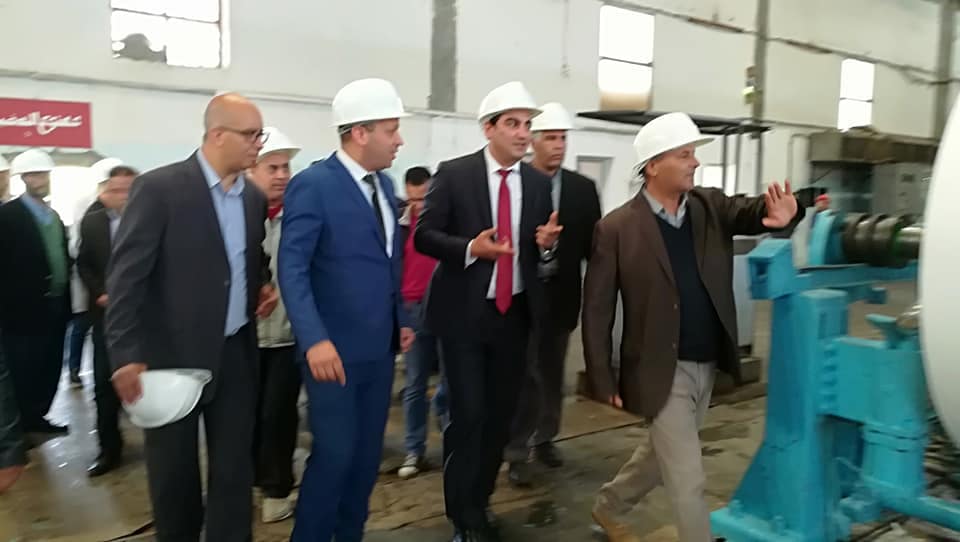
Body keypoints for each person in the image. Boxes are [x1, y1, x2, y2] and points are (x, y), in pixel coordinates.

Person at [582, 112, 803, 542]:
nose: (695, 162)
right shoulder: (617, 229)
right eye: (684, 155)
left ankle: (609, 505)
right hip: (659, 368)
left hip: (707, 362)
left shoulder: (709, 206)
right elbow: (596, 310)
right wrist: (601, 377)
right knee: (688, 478)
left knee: (659, 455)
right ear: (653, 165)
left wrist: (783, 213)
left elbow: (753, 211)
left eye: (693, 154)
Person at [106, 93, 277, 542]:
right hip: (170, 356)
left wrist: (260, 285)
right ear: (217, 135)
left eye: (260, 135)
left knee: (234, 469)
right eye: (250, 135)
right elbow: (126, 278)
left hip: (235, 352)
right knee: (174, 473)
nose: (258, 144)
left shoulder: (251, 198)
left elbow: (249, 256)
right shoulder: (160, 189)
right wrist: (125, 353)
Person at [415, 81, 562, 542]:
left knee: (501, 418)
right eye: (513, 124)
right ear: (488, 129)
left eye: (528, 125)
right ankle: (463, 517)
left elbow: (540, 257)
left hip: (513, 317)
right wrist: (470, 248)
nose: (523, 134)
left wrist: (545, 247)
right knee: (469, 416)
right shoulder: (455, 174)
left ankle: (479, 501)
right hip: (463, 318)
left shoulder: (538, 184)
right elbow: (424, 235)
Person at [278, 78, 414, 542]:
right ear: (360, 133)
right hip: (332, 354)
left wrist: (402, 321)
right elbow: (292, 268)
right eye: (391, 130)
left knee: (365, 457)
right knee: (334, 455)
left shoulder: (385, 185)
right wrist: (314, 339)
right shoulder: (313, 185)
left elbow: (388, 261)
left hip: (379, 349)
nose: (399, 141)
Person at [505, 103, 602, 487]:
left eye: (563, 138)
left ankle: (545, 438)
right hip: (521, 297)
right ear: (533, 141)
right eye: (551, 138)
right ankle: (516, 450)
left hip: (561, 297)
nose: (559, 145)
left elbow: (594, 248)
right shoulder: (514, 182)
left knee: (551, 372)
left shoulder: (581, 189)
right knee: (521, 376)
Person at [247, 126, 302, 523]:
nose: (281, 175)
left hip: (287, 335)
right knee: (246, 414)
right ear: (251, 170)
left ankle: (277, 491)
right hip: (243, 338)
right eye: (272, 167)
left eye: (286, 167)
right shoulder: (235, 216)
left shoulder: (298, 218)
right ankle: (253, 478)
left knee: (278, 415)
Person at [0, 149, 71, 436]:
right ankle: (20, 428)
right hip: (22, 311)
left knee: (49, 365)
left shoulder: (53, 216)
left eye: (43, 174)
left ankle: (38, 417)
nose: (40, 180)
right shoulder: (7, 215)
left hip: (55, 307)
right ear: (23, 179)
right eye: (34, 175)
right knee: (23, 369)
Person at [76, 164, 137, 477]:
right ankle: (108, 450)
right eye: (115, 190)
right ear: (105, 193)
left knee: (149, 383)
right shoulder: (93, 223)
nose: (122, 196)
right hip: (106, 318)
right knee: (103, 384)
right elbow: (84, 264)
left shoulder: (154, 220)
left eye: (129, 190)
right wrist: (99, 292)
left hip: (145, 319)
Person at [398, 166, 448, 480]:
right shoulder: (400, 227)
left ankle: (452, 441)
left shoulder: (445, 222)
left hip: (446, 307)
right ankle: (414, 450)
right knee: (415, 383)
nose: (418, 205)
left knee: (450, 381)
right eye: (413, 199)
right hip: (412, 309)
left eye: (423, 199)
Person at [65, 158, 124, 387]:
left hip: (113, 294)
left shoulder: (132, 212)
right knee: (83, 327)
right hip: (97, 292)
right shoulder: (90, 211)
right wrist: (99, 291)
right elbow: (82, 254)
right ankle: (74, 368)